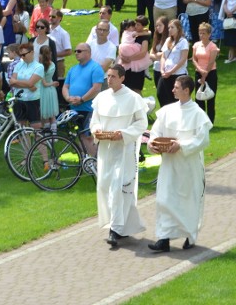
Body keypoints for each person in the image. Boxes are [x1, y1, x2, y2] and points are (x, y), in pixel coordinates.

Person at [147, 75, 213, 253]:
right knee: (164, 198)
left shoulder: (198, 114)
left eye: (176, 87)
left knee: (187, 200)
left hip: (188, 165)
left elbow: (202, 140)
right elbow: (155, 132)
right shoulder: (167, 111)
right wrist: (153, 144)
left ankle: (189, 235)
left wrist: (181, 146)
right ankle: (164, 238)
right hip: (169, 164)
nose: (172, 90)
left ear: (186, 90)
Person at [90, 64, 149, 247]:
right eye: (108, 76)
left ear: (122, 78)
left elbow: (141, 123)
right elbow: (95, 121)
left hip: (124, 148)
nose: (109, 80)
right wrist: (97, 131)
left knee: (118, 186)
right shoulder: (101, 97)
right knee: (104, 185)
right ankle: (121, 225)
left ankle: (114, 229)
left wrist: (123, 133)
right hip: (106, 148)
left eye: (113, 76)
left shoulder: (133, 98)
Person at [62, 43, 104, 157]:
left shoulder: (95, 68)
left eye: (79, 51)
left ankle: (94, 162)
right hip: (74, 108)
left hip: (89, 109)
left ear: (88, 53)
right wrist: (67, 98)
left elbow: (96, 88)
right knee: (78, 136)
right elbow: (65, 86)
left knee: (89, 137)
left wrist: (81, 99)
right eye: (75, 51)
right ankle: (85, 160)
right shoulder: (73, 69)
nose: (76, 53)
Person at [156, 19, 189, 108]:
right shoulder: (168, 40)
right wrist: (162, 69)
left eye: (172, 27)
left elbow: (183, 59)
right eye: (169, 28)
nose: (170, 29)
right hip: (165, 73)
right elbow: (163, 56)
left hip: (177, 74)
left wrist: (171, 71)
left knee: (174, 98)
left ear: (178, 28)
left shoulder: (183, 42)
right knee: (161, 94)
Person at [191, 23, 219, 123]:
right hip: (199, 72)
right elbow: (194, 59)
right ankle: (201, 121)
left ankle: (210, 121)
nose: (201, 35)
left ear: (209, 34)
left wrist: (205, 73)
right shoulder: (196, 45)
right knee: (199, 98)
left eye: (203, 33)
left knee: (210, 98)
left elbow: (211, 61)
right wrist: (199, 69)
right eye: (200, 33)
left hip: (210, 73)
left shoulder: (213, 47)